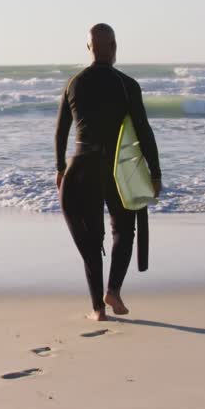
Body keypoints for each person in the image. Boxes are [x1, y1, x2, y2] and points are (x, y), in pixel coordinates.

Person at [55, 23, 162, 321]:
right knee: (124, 230)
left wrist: (60, 168)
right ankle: (113, 290)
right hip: (117, 170)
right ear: (114, 47)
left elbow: (61, 132)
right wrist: (155, 173)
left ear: (89, 48)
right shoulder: (127, 85)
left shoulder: (73, 83)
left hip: (81, 168)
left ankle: (97, 309)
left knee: (90, 239)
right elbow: (144, 131)